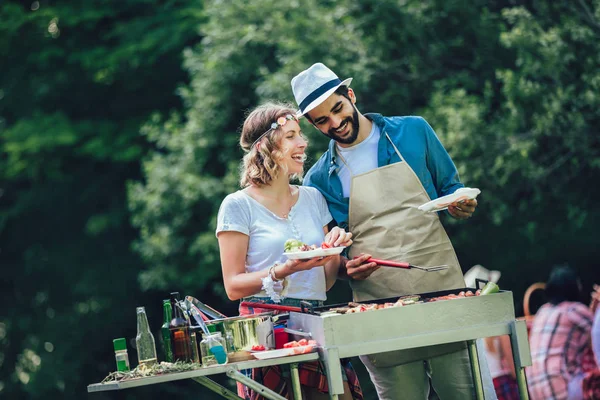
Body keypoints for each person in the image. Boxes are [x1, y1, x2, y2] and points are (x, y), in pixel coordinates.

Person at [291, 62, 495, 400]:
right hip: (378, 307)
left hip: (440, 291)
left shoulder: (413, 131)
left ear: (351, 95)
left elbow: (452, 188)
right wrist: (346, 268)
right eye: (322, 120)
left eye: (338, 109)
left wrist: (462, 205)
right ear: (312, 125)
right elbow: (332, 256)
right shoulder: (318, 180)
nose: (336, 123)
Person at [216, 102, 362, 400]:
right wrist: (282, 271)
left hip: (315, 322)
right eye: (291, 136)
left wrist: (333, 248)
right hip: (265, 330)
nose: (303, 143)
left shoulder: (313, 197)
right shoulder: (237, 205)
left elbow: (327, 280)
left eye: (300, 135)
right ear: (267, 147)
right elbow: (233, 287)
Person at [526, 265, 597, 400]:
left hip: (535, 391)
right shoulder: (574, 310)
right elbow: (597, 336)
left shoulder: (542, 311)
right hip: (562, 387)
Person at [464, 265, 520, 400]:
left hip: (481, 388)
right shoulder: (498, 321)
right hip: (502, 383)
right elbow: (514, 367)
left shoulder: (467, 327)